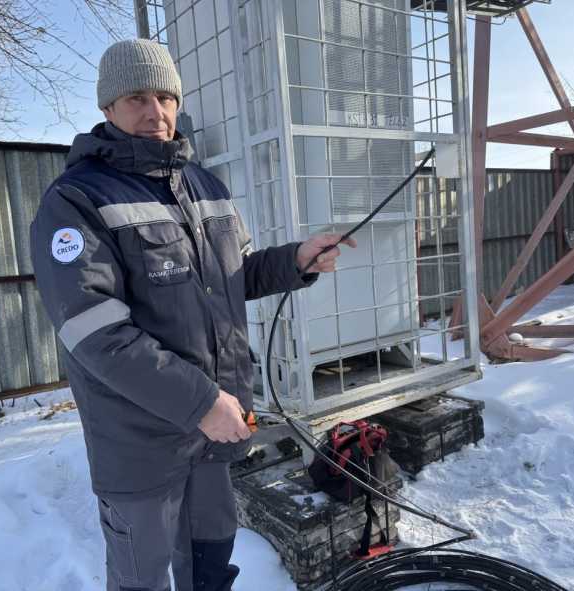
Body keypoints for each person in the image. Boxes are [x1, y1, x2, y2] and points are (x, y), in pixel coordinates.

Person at [30, 39, 355, 591]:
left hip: (216, 432)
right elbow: (93, 329)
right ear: (107, 108)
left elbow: (231, 279)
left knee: (210, 563)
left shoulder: (205, 186)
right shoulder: (77, 199)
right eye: (136, 98)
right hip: (139, 441)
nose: (154, 112)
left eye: (165, 97)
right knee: (143, 578)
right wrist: (201, 401)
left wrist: (294, 261)